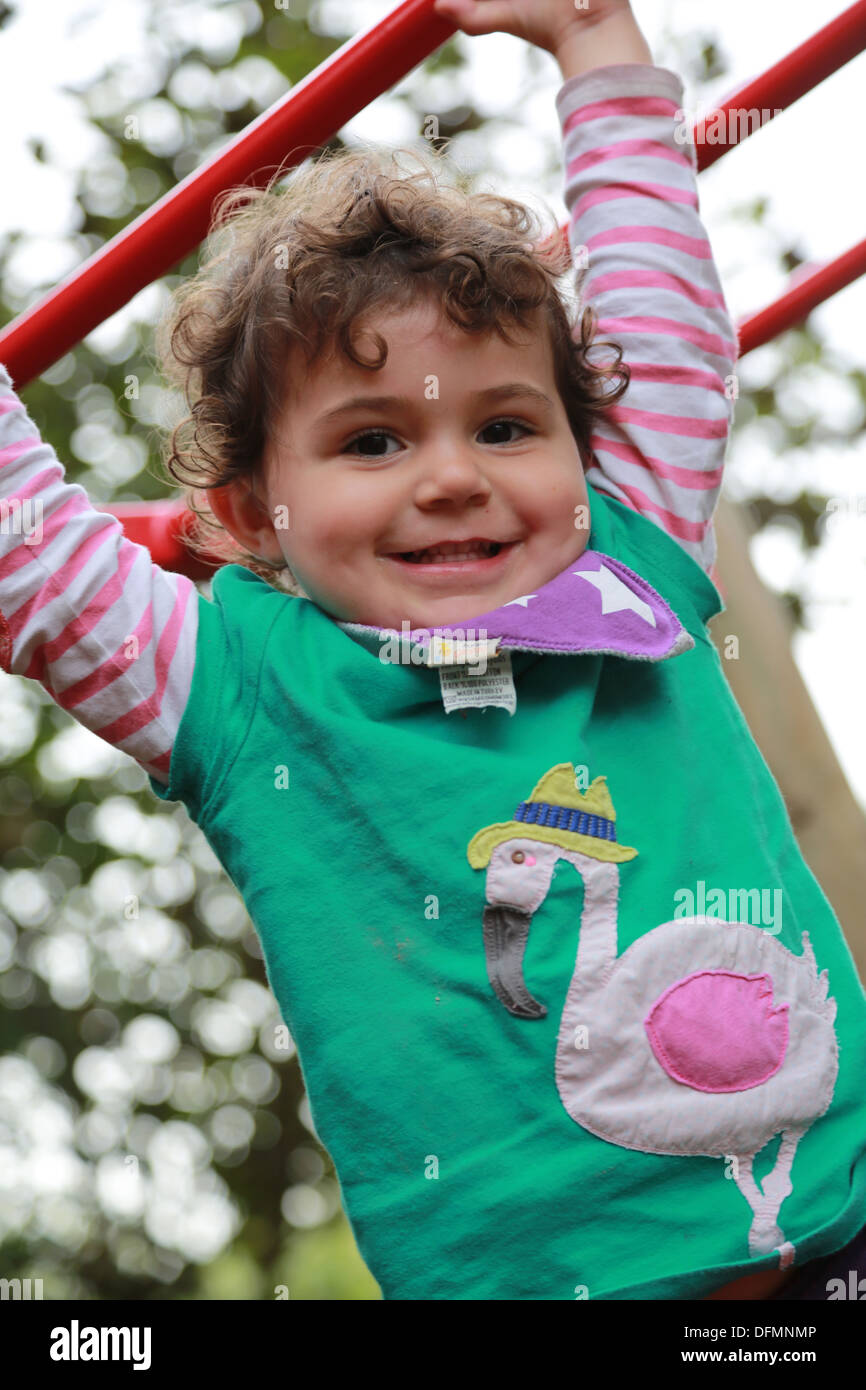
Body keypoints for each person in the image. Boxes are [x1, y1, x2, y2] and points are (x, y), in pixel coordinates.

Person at [1, 0, 864, 1301]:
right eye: (371, 442)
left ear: (586, 456)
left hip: (836, 1223)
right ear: (246, 516)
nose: (452, 475)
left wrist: (591, 40)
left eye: (506, 424)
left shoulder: (625, 567)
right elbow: (36, 561)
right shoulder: (239, 691)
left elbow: (668, 333)